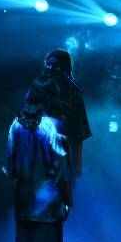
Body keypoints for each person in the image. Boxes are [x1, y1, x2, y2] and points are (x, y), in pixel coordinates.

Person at [3, 77, 72, 242]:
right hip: (48, 203)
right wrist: (67, 201)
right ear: (52, 97)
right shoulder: (55, 125)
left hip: (22, 201)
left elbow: (9, 168)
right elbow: (63, 171)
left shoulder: (15, 124)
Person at [43, 49, 92, 177]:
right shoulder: (39, 89)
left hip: (63, 158)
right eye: (48, 64)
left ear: (64, 69)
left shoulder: (73, 94)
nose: (49, 68)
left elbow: (79, 133)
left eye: (55, 66)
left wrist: (77, 165)